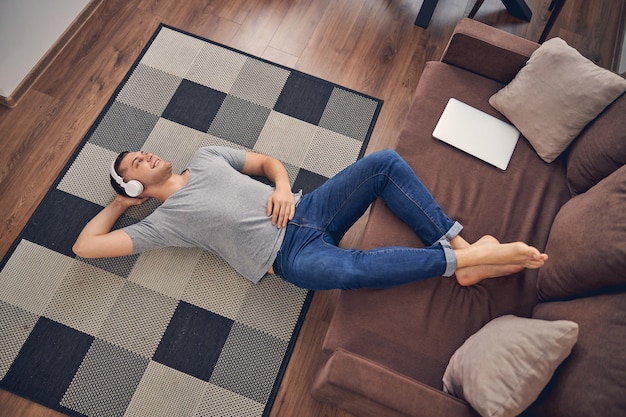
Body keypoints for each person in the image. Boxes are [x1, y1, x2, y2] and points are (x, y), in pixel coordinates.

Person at [73, 146, 548, 290]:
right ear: (136, 186)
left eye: (141, 153)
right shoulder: (164, 221)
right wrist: (121, 203)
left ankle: (466, 249)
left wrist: (281, 186)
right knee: (354, 271)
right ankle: (460, 262)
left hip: (310, 207)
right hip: (291, 256)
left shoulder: (205, 156)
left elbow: (264, 164)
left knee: (383, 163)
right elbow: (84, 247)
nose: (146, 157)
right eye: (135, 166)